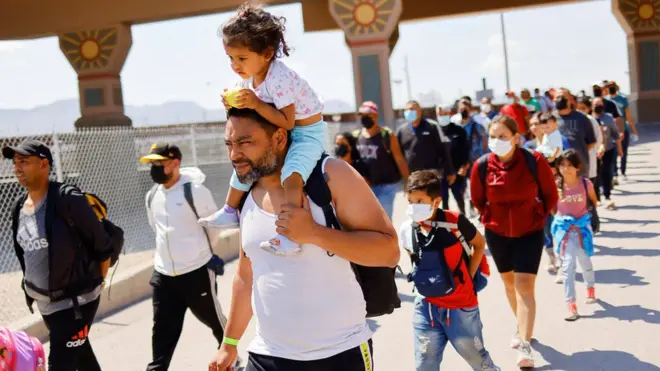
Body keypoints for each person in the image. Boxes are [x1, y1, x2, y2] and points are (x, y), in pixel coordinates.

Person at [208, 107, 400, 371]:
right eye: (229, 144)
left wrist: (315, 234)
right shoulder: (246, 190)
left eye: (245, 143)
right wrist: (229, 343)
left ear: (278, 138)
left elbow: (388, 251)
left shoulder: (330, 175)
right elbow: (246, 274)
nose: (234, 154)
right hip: (266, 356)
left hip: (339, 354)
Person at [200, 4, 325, 257]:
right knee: (243, 163)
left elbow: (287, 122)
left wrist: (255, 103)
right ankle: (229, 210)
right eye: (231, 58)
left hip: (306, 133)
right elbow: (252, 115)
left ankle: (290, 235)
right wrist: (232, 103)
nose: (235, 65)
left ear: (267, 54)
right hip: (283, 133)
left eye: (242, 58)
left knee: (291, 177)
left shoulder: (280, 78)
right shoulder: (249, 75)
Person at [4, 140, 116, 371]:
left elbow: (103, 246)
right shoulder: (18, 207)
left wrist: (96, 286)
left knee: (60, 364)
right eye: (15, 163)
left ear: (44, 164)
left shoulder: (67, 199)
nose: (17, 168)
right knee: (83, 361)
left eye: (23, 161)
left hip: (74, 304)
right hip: (46, 305)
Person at [470, 115, 558, 368]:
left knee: (524, 286)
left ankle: (524, 344)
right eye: (493, 136)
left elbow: (550, 193)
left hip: (529, 232)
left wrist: (538, 216)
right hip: (497, 234)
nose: (497, 141)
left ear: (516, 138)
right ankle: (522, 327)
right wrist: (489, 218)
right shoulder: (482, 165)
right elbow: (477, 198)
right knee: (509, 284)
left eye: (503, 136)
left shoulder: (534, 160)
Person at [141, 143, 231, 371]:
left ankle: (230, 356)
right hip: (164, 276)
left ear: (175, 163)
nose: (154, 168)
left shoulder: (196, 192)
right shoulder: (152, 195)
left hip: (196, 272)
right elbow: (157, 229)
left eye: (159, 163)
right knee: (162, 330)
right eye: (152, 164)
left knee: (215, 320)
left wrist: (198, 253)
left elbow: (213, 228)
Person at [400, 170, 499, 371]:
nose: (413, 207)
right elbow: (415, 261)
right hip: (425, 307)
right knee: (424, 364)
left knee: (479, 361)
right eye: (410, 201)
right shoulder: (407, 229)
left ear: (436, 202)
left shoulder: (455, 222)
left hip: (460, 307)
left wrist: (469, 277)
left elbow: (479, 244)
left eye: (420, 201)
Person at [551, 149, 598, 321]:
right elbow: (551, 206)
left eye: (569, 165)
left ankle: (590, 287)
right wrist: (561, 219)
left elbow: (593, 201)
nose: (566, 169)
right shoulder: (556, 185)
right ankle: (571, 304)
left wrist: (586, 218)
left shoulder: (585, 184)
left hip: (582, 228)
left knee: (585, 260)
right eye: (562, 165)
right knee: (568, 265)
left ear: (578, 167)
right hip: (564, 230)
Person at [354, 101, 409, 219]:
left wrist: (408, 181)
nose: (364, 118)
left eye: (368, 115)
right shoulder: (357, 136)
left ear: (376, 116)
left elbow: (399, 159)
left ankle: (389, 237)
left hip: (387, 186)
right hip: (366, 186)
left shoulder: (387, 135)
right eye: (362, 115)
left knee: (385, 220)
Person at [397, 100, 456, 184]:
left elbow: (443, 150)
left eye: (412, 109)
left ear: (420, 111)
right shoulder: (401, 131)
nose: (409, 112)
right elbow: (399, 155)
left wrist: (450, 171)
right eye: (407, 110)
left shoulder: (432, 126)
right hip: (412, 178)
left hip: (431, 176)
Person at [554, 91, 597, 178]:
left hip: (579, 166)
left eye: (563, 97)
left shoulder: (582, 118)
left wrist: (578, 153)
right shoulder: (551, 119)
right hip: (559, 167)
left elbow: (592, 141)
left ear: (569, 101)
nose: (560, 100)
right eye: (557, 97)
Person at [592, 97, 622, 210]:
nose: (597, 106)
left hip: (608, 149)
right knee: (596, 174)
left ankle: (607, 194)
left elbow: (615, 134)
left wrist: (620, 149)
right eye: (595, 104)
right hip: (594, 152)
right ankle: (597, 197)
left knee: (607, 172)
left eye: (599, 104)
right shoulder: (590, 119)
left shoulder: (609, 118)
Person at [437, 110, 470, 213]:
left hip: (457, 170)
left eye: (445, 114)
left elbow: (466, 150)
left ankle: (464, 218)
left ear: (450, 114)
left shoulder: (459, 130)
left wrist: (464, 166)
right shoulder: (435, 130)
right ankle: (445, 222)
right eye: (440, 114)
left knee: (459, 196)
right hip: (441, 172)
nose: (442, 116)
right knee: (443, 199)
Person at [607, 81, 640, 182]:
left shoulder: (622, 99)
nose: (611, 88)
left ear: (616, 88)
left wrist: (634, 130)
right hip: (611, 131)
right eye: (609, 87)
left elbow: (628, 116)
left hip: (623, 129)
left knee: (624, 152)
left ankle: (623, 171)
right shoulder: (606, 101)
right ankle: (615, 173)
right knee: (613, 152)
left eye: (613, 86)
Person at [576, 96, 604, 203]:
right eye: (578, 108)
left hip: (589, 159)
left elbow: (598, 139)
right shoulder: (575, 120)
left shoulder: (591, 120)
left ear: (589, 108)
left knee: (589, 188)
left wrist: (589, 150)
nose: (580, 111)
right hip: (577, 161)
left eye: (583, 108)